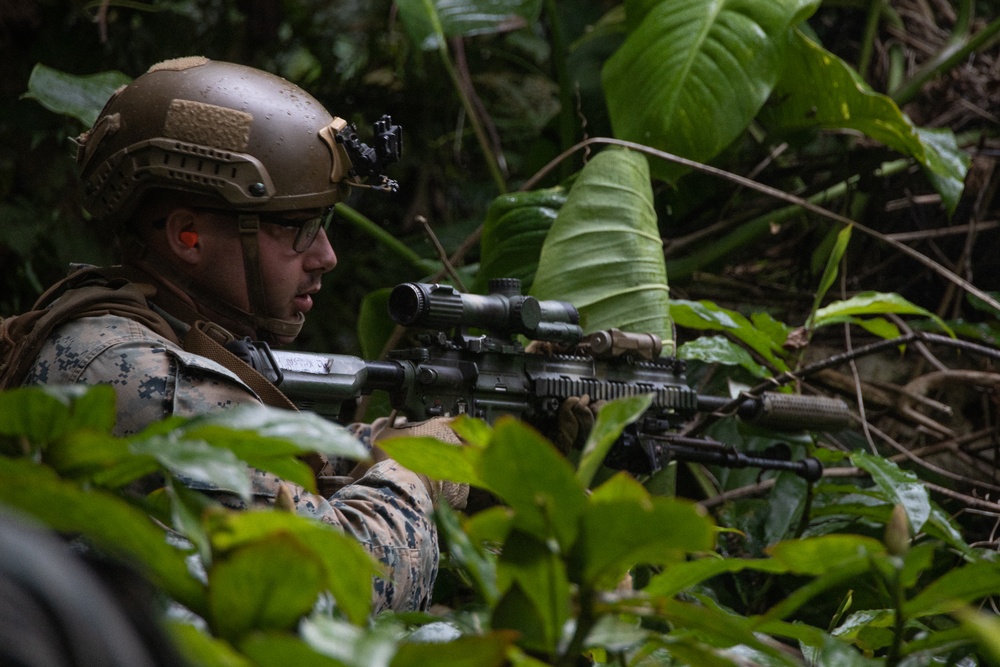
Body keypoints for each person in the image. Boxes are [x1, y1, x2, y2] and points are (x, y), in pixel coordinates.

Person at [0, 56, 455, 613]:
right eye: (299, 228)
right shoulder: (135, 372)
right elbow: (342, 581)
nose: (325, 256)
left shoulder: (132, 325)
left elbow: (281, 463)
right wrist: (421, 473)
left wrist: (411, 442)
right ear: (187, 236)